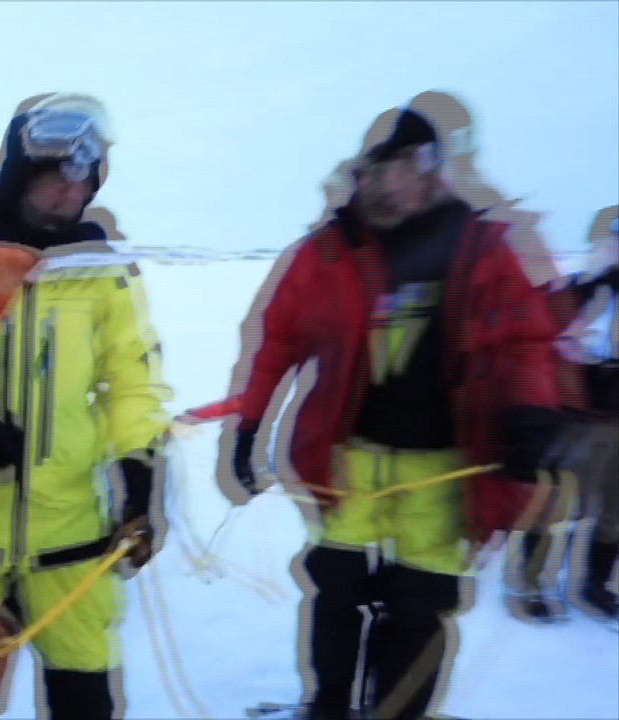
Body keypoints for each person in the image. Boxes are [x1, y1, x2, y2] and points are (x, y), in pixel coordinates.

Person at [229, 106, 566, 720]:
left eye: (397, 167)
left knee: (421, 602)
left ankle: (395, 713)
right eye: (372, 169)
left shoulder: (482, 248)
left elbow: (526, 340)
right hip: (351, 460)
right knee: (337, 588)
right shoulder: (330, 250)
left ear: (429, 168)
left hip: (446, 470)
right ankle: (328, 706)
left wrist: (531, 413)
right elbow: (278, 338)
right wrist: (249, 423)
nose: (379, 182)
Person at [0, 95, 172, 720]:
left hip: (74, 540)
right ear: (19, 173)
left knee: (84, 703)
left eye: (82, 177)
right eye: (55, 174)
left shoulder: (106, 275)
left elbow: (131, 385)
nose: (68, 190)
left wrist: (141, 480)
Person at [519, 207, 619, 624]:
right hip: (575, 410)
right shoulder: (582, 286)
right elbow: (549, 329)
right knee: (555, 503)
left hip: (615, 413)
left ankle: (594, 585)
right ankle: (531, 583)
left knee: (613, 509)